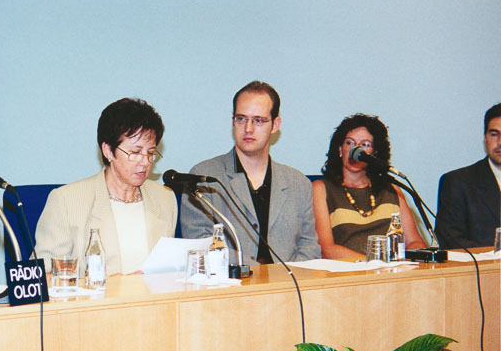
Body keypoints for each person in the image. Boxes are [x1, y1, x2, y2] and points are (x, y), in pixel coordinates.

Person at [180, 81, 320, 264]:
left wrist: (286, 280)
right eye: (241, 118)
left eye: (259, 120)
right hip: (232, 286)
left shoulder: (298, 183)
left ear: (275, 125)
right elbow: (200, 244)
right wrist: (260, 276)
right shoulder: (203, 177)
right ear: (233, 121)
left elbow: (309, 245)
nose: (248, 128)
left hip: (289, 286)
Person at [35, 98, 177, 276]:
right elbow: (43, 276)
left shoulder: (164, 198)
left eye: (150, 153)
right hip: (96, 303)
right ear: (108, 150)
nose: (145, 162)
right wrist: (115, 287)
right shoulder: (66, 201)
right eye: (134, 153)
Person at [312, 114, 426, 258]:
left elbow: (415, 242)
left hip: (393, 274)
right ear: (340, 150)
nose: (356, 151)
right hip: (350, 275)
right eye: (349, 143)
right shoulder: (321, 189)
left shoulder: (392, 189)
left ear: (374, 153)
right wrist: (374, 265)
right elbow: (326, 249)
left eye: (365, 145)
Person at [436, 103, 501, 249]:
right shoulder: (458, 182)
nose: (500, 142)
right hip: (483, 269)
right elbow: (450, 240)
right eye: (494, 134)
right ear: (485, 138)